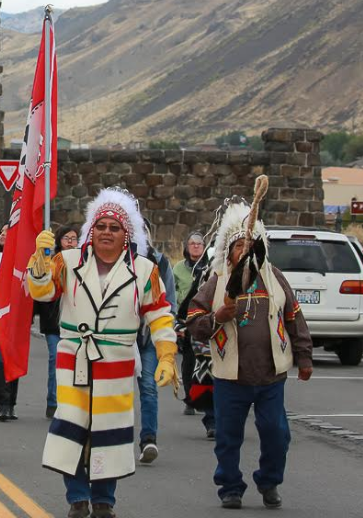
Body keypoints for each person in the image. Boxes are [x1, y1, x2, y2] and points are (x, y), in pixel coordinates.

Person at [28, 187, 177, 518]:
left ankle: (104, 500)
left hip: (118, 362)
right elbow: (42, 292)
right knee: (73, 429)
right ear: (90, 230)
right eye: (101, 226)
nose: (106, 232)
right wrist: (39, 261)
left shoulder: (144, 270)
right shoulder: (66, 261)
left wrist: (166, 354)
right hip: (74, 358)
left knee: (109, 432)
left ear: (126, 234)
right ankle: (77, 497)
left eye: (114, 227)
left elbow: (160, 314)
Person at [186, 198, 313, 511]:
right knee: (228, 437)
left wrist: (305, 357)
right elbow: (192, 322)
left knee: (277, 434)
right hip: (230, 377)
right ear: (228, 251)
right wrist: (218, 315)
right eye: (238, 245)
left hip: (271, 376)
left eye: (251, 245)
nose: (244, 250)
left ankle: (269, 481)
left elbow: (294, 318)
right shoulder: (216, 284)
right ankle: (230, 487)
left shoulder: (275, 279)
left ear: (261, 249)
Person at [135, 235, 177, 464]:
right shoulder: (115, 260)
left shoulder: (159, 263)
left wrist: (167, 343)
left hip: (148, 336)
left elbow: (168, 299)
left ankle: (148, 439)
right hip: (120, 336)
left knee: (149, 388)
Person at [176, 232, 216, 435]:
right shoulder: (205, 275)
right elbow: (188, 302)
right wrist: (180, 324)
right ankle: (212, 421)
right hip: (203, 331)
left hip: (232, 335)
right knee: (204, 372)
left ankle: (226, 418)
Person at [36, 225, 77, 420]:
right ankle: (53, 401)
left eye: (74, 238)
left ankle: (69, 401)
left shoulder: (82, 262)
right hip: (53, 321)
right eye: (67, 238)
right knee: (56, 358)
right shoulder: (52, 262)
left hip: (75, 321)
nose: (70, 242)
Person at [0, 222, 19, 422]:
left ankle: (11, 403)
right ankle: (2, 404)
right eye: (1, 232)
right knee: (0, 360)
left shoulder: (20, 258)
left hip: (15, 314)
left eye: (7, 232)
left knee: (12, 359)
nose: (3, 235)